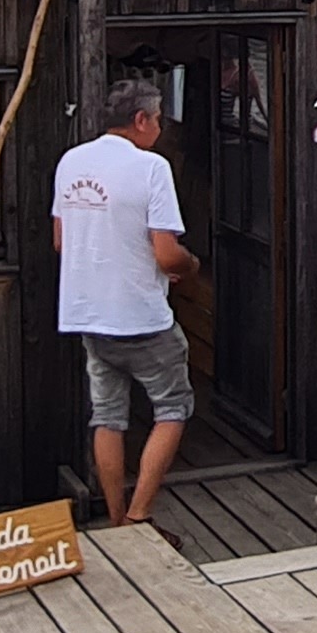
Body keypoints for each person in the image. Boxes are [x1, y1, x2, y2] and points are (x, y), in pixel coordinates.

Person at [51, 79, 198, 526]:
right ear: (140, 120)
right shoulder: (151, 167)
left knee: (109, 416)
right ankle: (138, 515)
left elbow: (61, 241)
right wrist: (189, 265)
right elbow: (166, 253)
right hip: (142, 316)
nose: (159, 128)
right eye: (157, 119)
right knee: (173, 408)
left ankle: (115, 518)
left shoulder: (70, 161)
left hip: (89, 316)